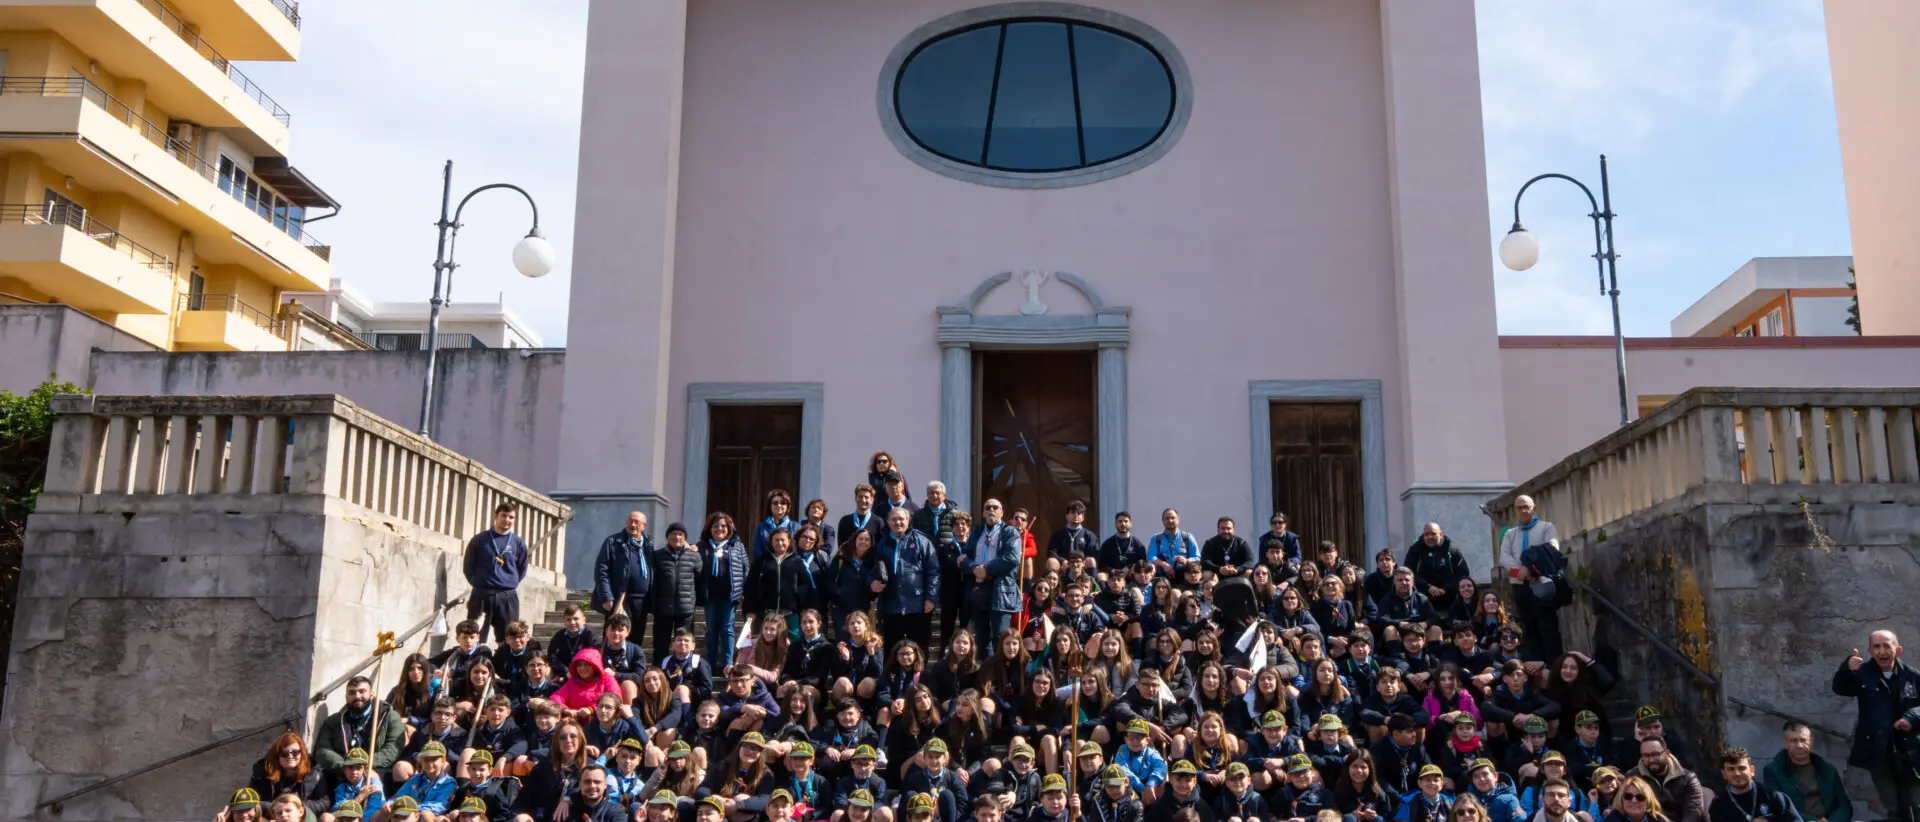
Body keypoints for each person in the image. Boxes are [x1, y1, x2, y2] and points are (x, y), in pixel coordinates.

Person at [1831, 630, 1920, 815]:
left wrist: (1911, 718)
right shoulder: (1862, 674)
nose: (1882, 651)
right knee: (1893, 807)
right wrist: (1846, 669)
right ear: (1870, 651)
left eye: (1887, 646)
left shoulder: (1912, 676)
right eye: (1877, 647)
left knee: (1916, 803)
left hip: (1910, 752)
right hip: (1878, 751)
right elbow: (1840, 688)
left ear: (1898, 649)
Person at [1497, 497, 1565, 662]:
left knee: (1548, 627)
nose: (1523, 510)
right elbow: (1504, 557)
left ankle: (1553, 666)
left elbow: (1552, 548)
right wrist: (1521, 571)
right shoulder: (1510, 534)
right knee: (1529, 627)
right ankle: (1534, 664)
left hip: (1542, 585)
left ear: (1534, 507)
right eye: (1519, 508)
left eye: (1526, 507)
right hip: (1520, 586)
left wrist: (1531, 568)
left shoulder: (1546, 528)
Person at [316, 676, 406, 780]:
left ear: (371, 694)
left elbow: (393, 747)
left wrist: (364, 764)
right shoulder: (333, 721)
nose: (357, 696)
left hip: (377, 769)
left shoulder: (389, 716)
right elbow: (323, 749)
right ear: (346, 697)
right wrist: (346, 765)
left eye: (362, 691)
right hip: (342, 771)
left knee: (370, 777)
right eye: (352, 693)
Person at [464, 503, 530, 645]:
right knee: (474, 638)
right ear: (496, 516)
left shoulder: (518, 543)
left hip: (507, 597)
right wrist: (479, 582)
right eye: (504, 516)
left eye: (511, 517)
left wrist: (508, 581)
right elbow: (468, 566)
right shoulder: (480, 540)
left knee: (508, 640)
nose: (507, 520)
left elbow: (522, 568)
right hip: (481, 595)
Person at [1760, 721, 1852, 822]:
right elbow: (1778, 807)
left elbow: (1844, 806)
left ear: (1811, 742)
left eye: (1803, 740)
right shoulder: (1774, 771)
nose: (1799, 745)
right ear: (1785, 743)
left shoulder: (1827, 770)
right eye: (1794, 741)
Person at [877, 507, 941, 650]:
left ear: (908, 521)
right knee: (892, 649)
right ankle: (893, 673)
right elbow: (874, 569)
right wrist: (872, 581)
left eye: (901, 519)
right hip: (891, 605)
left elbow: (933, 571)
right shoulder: (882, 544)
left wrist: (931, 597)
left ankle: (919, 673)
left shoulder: (922, 541)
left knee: (919, 647)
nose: (897, 522)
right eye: (893, 519)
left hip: (917, 605)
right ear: (888, 522)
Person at [913, 481, 965, 644]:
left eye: (937, 493)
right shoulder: (919, 515)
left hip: (949, 568)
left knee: (949, 611)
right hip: (926, 566)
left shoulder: (955, 513)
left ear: (944, 495)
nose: (934, 496)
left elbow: (963, 533)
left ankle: (947, 646)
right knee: (926, 612)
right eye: (931, 493)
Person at [593, 511, 654, 647]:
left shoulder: (649, 544)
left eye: (637, 522)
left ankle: (631, 667)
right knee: (615, 635)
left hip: (641, 600)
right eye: (630, 521)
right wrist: (606, 596)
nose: (633, 524)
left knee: (637, 637)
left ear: (644, 525)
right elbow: (601, 570)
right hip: (620, 598)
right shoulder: (613, 542)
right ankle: (609, 665)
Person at [970, 499, 1024, 643]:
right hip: (979, 588)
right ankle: (986, 665)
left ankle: (1000, 666)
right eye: (987, 508)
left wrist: (986, 569)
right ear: (983, 513)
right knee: (981, 637)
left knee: (1001, 637)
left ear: (1002, 512)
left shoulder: (1010, 532)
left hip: (1001, 588)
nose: (991, 510)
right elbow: (964, 555)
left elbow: (1012, 558)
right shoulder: (976, 532)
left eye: (995, 507)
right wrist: (972, 567)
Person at [699, 512, 749, 668]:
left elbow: (745, 569)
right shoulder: (702, 546)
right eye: (715, 526)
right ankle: (711, 663)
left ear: (729, 529)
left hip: (729, 596)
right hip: (710, 595)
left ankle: (727, 664)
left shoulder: (737, 546)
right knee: (712, 629)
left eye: (723, 526)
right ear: (709, 528)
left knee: (727, 629)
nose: (719, 529)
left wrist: (742, 592)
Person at [652, 523, 702, 662]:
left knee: (685, 645)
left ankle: (687, 673)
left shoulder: (694, 555)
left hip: (685, 608)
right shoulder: (657, 555)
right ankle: (659, 673)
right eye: (673, 534)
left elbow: (699, 578)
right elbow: (653, 580)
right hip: (663, 609)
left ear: (685, 538)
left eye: (680, 534)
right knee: (660, 645)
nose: (677, 537)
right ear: (667, 537)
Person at [1707, 748, 1800, 822]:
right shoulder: (1719, 805)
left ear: (1752, 770)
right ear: (1724, 774)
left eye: (1742, 768)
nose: (1737, 773)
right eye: (1731, 769)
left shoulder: (1774, 797)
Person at [1626, 739, 1701, 822]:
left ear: (1667, 754)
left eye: (1655, 754)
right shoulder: (1633, 777)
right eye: (1646, 756)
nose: (1651, 760)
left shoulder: (1688, 778)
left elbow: (1693, 812)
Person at [1404, 524, 1470, 616]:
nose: (1429, 537)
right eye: (1426, 534)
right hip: (1423, 598)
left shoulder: (1451, 549)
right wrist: (1428, 587)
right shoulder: (1415, 550)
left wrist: (1446, 588)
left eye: (1433, 534)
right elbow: (1408, 573)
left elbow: (1463, 574)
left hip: (1450, 598)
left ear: (1441, 535)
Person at [1147, 509, 1201, 576]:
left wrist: (1186, 561)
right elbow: (1150, 556)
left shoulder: (1187, 537)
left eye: (1172, 518)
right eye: (1167, 518)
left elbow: (1197, 557)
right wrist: (1164, 564)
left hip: (1185, 576)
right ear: (1163, 521)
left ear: (1178, 520)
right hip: (1163, 576)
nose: (1170, 520)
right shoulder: (1156, 539)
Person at [1049, 501, 1100, 567]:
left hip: (1082, 566)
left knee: (1091, 560)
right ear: (1067, 516)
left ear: (1083, 517)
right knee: (1051, 561)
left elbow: (1093, 553)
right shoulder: (1058, 535)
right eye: (1073, 513)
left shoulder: (1090, 535)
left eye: (1079, 513)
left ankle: (1090, 578)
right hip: (1063, 566)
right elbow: (1052, 552)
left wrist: (1080, 562)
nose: (1076, 515)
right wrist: (1062, 560)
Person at [839, 485, 885, 554]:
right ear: (855, 498)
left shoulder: (878, 522)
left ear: (872, 500)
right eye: (860, 497)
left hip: (870, 563)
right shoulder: (845, 521)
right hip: (849, 562)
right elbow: (841, 546)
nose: (863, 500)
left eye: (866, 497)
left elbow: (881, 547)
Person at [756, 489, 800, 560]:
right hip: (767, 567)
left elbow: (798, 550)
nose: (779, 505)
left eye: (783, 503)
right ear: (770, 506)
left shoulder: (796, 527)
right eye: (775, 503)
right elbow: (757, 550)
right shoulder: (761, 527)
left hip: (789, 566)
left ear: (787, 506)